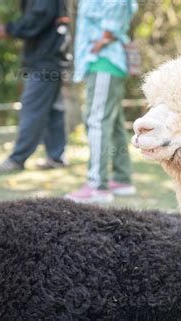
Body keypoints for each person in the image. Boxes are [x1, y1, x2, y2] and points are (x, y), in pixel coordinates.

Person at [66, 0, 138, 203]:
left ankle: (97, 185)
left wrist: (98, 45)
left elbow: (116, 11)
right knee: (113, 123)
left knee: (96, 121)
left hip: (104, 62)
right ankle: (122, 179)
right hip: (104, 62)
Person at [0, 0, 70, 173]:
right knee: (53, 109)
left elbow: (39, 17)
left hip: (45, 61)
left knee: (32, 108)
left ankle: (17, 159)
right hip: (51, 59)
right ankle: (56, 156)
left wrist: (8, 29)